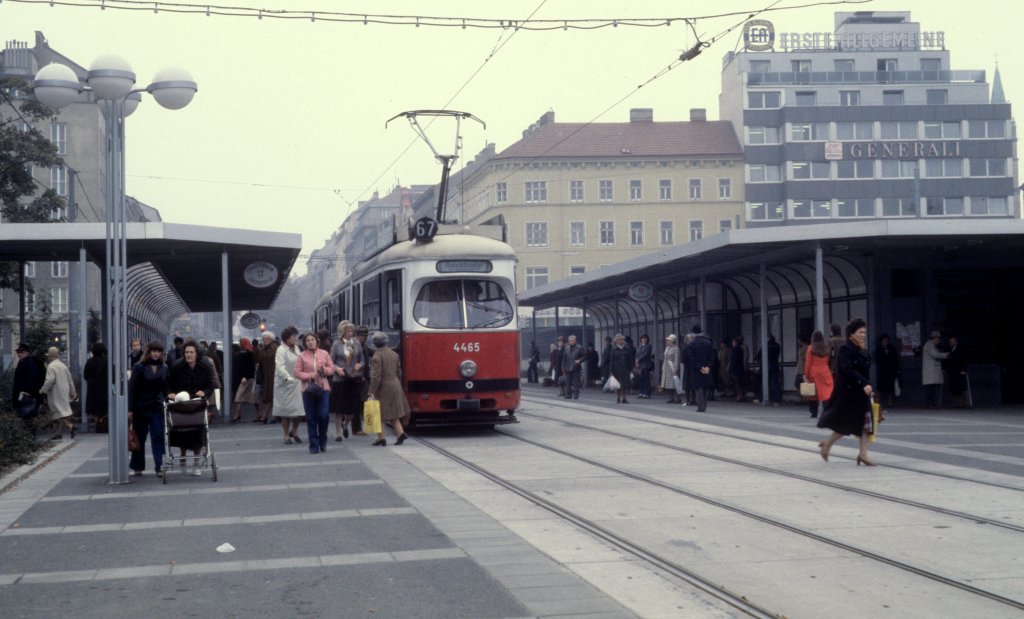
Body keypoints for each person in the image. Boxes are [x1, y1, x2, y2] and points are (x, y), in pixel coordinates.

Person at [817, 318, 877, 466]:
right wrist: (864, 383)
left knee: (867, 424)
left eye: (864, 332)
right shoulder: (846, 349)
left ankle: (863, 454)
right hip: (849, 393)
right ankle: (828, 444)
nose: (863, 335)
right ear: (851, 334)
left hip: (862, 392)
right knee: (846, 424)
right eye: (860, 332)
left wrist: (868, 386)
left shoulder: (861, 349)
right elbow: (847, 370)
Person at [167, 339, 214, 475]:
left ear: (196, 353)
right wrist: (170, 393)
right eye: (186, 352)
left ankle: (196, 463)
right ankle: (183, 456)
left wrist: (204, 392)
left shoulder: (204, 366)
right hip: (181, 402)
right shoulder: (177, 367)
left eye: (191, 352)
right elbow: (168, 384)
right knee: (181, 430)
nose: (189, 355)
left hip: (197, 403)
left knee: (198, 431)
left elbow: (210, 386)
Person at [127, 341, 169, 476]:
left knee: (158, 436)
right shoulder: (139, 367)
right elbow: (132, 388)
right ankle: (137, 466)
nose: (156, 353)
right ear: (148, 352)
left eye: (158, 351)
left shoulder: (164, 367)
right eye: (154, 351)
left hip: (157, 406)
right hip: (141, 407)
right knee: (140, 437)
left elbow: (166, 387)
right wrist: (130, 409)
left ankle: (159, 466)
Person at [367, 331, 411, 446]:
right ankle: (400, 433)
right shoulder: (393, 354)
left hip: (384, 387)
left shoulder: (377, 356)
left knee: (380, 414)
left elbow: (376, 376)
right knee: (393, 413)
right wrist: (398, 383)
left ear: (375, 343)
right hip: (395, 384)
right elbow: (399, 372)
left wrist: (371, 390)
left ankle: (381, 438)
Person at [294, 332, 334, 453]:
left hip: (323, 389)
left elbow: (332, 369)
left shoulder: (324, 353)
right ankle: (313, 445)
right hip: (308, 390)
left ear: (317, 341)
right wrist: (310, 375)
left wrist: (324, 370)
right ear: (305, 343)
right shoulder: (302, 356)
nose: (310, 342)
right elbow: (296, 372)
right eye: (308, 340)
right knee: (311, 418)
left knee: (323, 415)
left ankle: (323, 440)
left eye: (312, 340)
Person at [330, 320, 365, 441]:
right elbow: (330, 362)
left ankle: (346, 425)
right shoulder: (336, 344)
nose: (350, 333)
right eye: (348, 331)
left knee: (352, 409)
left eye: (351, 331)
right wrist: (337, 369)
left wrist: (359, 365)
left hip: (353, 379)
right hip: (340, 380)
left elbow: (362, 360)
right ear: (342, 332)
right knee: (339, 409)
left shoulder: (356, 343)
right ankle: (338, 433)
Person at [273, 326, 305, 444]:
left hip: (297, 382)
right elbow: (280, 366)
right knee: (285, 411)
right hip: (284, 383)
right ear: (287, 338)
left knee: (299, 410)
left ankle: (294, 430)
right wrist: (287, 377)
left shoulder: (297, 348)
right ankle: (286, 435)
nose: (295, 338)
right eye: (293, 336)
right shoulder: (281, 350)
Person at [40, 347, 77, 440]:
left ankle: (70, 426)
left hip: (55, 392)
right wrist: (73, 392)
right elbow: (70, 380)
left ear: (50, 357)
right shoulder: (63, 366)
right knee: (60, 412)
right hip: (64, 392)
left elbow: (50, 380)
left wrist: (43, 390)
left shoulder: (51, 366)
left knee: (58, 412)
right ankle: (58, 433)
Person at [11, 343, 44, 426]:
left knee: (28, 415)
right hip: (22, 394)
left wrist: (28, 391)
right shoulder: (21, 362)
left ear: (27, 352)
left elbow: (32, 378)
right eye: (18, 352)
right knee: (25, 415)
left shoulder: (29, 363)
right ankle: (28, 435)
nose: (19, 354)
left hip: (27, 394)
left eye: (21, 352)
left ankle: (30, 435)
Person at [804, 330, 833, 418]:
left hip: (814, 372)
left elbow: (808, 363)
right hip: (825, 370)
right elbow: (828, 360)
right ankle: (827, 409)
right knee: (825, 392)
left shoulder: (811, 348)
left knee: (813, 394)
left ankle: (814, 412)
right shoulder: (826, 348)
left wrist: (806, 374)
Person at [686, 326, 716, 412]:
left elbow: (691, 358)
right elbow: (713, 356)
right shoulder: (709, 343)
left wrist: (700, 367)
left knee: (698, 387)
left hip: (696, 370)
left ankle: (700, 406)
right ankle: (704, 405)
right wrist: (708, 367)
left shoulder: (692, 344)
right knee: (706, 387)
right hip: (707, 369)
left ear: (693, 333)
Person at [82, 342, 109, 432]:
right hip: (105, 388)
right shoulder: (107, 361)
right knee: (104, 407)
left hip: (93, 388)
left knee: (95, 408)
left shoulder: (90, 362)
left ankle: (98, 421)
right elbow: (112, 374)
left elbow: (85, 375)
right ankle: (102, 421)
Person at [230, 338, 258, 422]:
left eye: (241, 343)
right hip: (249, 379)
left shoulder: (247, 353)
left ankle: (237, 414)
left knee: (239, 396)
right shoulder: (249, 353)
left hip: (246, 379)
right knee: (253, 398)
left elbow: (248, 367)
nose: (240, 344)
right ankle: (258, 414)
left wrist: (245, 376)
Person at [255, 331, 278, 422]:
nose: (265, 340)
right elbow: (260, 362)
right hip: (266, 376)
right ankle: (274, 415)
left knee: (272, 396)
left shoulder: (276, 348)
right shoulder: (262, 349)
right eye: (264, 339)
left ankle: (265, 415)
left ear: (271, 339)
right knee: (268, 396)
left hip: (274, 375)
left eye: (267, 339)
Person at [352, 324, 370, 435]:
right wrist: (360, 376)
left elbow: (372, 351)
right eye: (363, 336)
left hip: (364, 378)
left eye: (366, 336)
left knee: (362, 403)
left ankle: (360, 426)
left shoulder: (364, 347)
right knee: (357, 404)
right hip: (358, 379)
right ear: (358, 336)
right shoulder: (353, 348)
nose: (365, 338)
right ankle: (356, 428)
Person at [922, 330, 948, 407]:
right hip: (930, 371)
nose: (939, 340)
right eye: (938, 338)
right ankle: (929, 404)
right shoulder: (929, 345)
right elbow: (935, 355)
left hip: (932, 371)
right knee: (930, 388)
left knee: (932, 388)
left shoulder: (932, 345)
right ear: (934, 338)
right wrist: (945, 355)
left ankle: (932, 403)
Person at [874, 334, 901, 408]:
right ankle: (878, 401)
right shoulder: (878, 349)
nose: (886, 342)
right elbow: (877, 359)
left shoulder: (891, 348)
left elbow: (895, 359)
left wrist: (897, 369)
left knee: (890, 386)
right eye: (884, 340)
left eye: (887, 340)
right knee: (880, 386)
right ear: (881, 341)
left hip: (891, 369)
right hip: (882, 370)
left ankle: (890, 402)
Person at [945, 335, 970, 408]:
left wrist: (964, 369)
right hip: (952, 372)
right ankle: (957, 404)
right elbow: (947, 361)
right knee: (954, 389)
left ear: (956, 342)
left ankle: (966, 403)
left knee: (962, 388)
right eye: (950, 342)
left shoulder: (961, 350)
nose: (951, 343)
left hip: (959, 371)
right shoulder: (950, 350)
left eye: (953, 341)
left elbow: (965, 360)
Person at [609, 333, 633, 404]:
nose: (621, 341)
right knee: (618, 384)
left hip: (625, 369)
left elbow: (630, 359)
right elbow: (611, 360)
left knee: (624, 384)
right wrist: (611, 371)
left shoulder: (627, 348)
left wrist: (631, 369)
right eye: (619, 339)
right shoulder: (613, 349)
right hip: (616, 369)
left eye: (622, 339)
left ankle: (624, 398)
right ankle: (618, 398)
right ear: (616, 341)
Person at [561, 334, 584, 399]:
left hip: (576, 367)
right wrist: (563, 367)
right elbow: (564, 359)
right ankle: (568, 394)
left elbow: (585, 355)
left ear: (575, 341)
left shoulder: (579, 347)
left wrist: (580, 360)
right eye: (569, 340)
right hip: (568, 367)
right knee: (568, 382)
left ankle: (576, 395)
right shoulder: (566, 348)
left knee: (576, 382)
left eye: (571, 340)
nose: (570, 342)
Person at [660, 334, 680, 403]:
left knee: (674, 384)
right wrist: (663, 367)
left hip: (672, 367)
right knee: (668, 384)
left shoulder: (676, 348)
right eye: (667, 340)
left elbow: (676, 359)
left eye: (669, 340)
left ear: (672, 341)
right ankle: (671, 398)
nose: (667, 341)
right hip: (666, 367)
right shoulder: (667, 348)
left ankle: (678, 398)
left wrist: (675, 369)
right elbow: (665, 358)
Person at [635, 334, 653, 399]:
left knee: (646, 380)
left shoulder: (649, 346)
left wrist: (638, 360)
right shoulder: (639, 347)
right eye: (642, 338)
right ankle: (641, 392)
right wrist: (636, 361)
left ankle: (647, 393)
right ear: (641, 339)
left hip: (646, 365)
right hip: (639, 365)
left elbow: (646, 354)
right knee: (641, 380)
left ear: (647, 339)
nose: (644, 339)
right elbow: (636, 354)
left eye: (645, 338)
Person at [730, 337, 747, 402]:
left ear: (736, 343)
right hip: (740, 368)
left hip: (736, 369)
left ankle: (739, 395)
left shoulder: (734, 350)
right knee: (740, 382)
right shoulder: (741, 349)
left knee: (737, 383)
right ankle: (742, 395)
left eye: (733, 342)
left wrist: (732, 368)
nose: (732, 343)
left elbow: (733, 360)